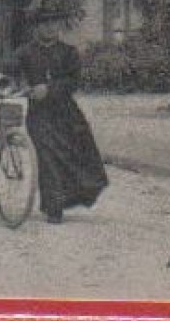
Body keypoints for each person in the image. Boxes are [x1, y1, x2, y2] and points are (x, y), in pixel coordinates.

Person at [13, 16, 109, 223]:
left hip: (66, 112)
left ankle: (73, 197)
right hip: (39, 114)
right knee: (47, 157)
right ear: (37, 27)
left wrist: (49, 89)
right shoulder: (25, 52)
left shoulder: (68, 52)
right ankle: (53, 207)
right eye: (44, 24)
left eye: (54, 24)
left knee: (76, 154)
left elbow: (74, 81)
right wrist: (8, 83)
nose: (50, 28)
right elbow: (9, 70)